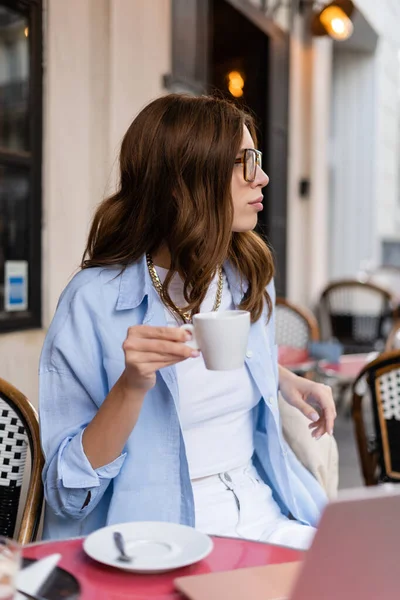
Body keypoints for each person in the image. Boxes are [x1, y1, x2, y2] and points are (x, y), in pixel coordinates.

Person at [39, 94, 336, 549]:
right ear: (185, 180)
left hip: (266, 508)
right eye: (246, 162)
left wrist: (280, 378)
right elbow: (67, 492)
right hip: (162, 537)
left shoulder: (246, 275)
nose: (264, 177)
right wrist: (131, 386)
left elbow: (213, 363)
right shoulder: (93, 302)